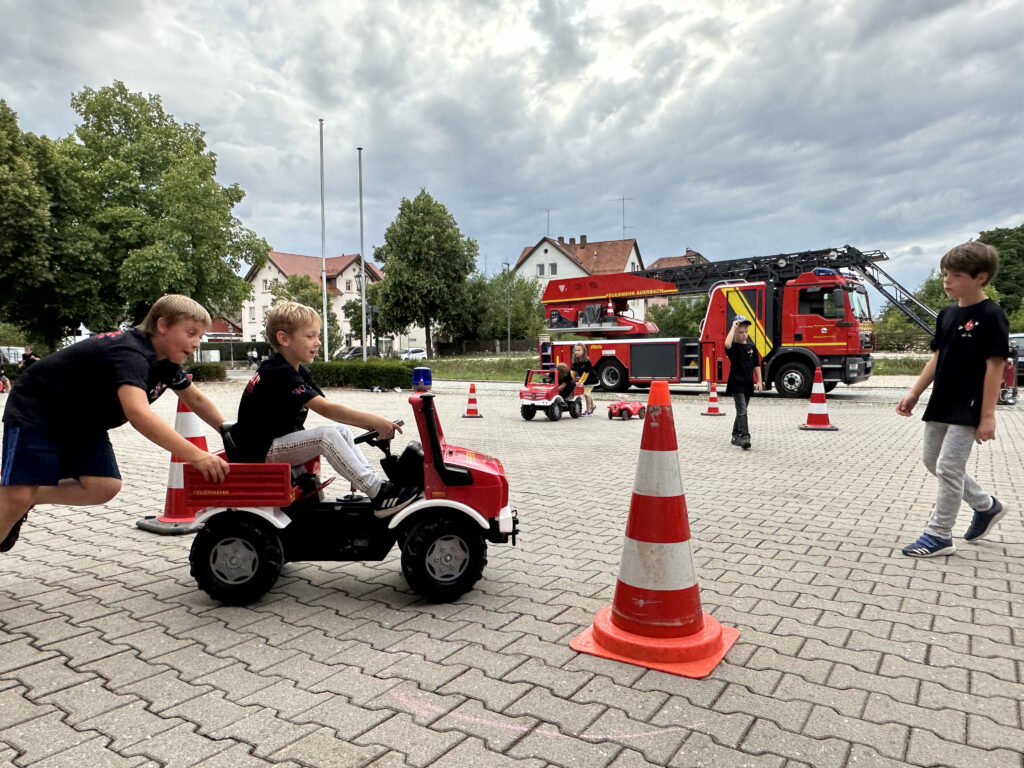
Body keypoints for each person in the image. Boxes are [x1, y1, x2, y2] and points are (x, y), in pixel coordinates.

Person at [1, 295, 231, 553]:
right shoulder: (131, 353)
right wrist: (197, 456)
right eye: (191, 333)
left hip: (83, 421)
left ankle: (21, 499)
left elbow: (196, 399)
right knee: (17, 495)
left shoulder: (165, 362)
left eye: (200, 336)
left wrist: (228, 430)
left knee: (102, 486)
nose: (196, 343)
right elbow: (139, 414)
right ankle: (15, 500)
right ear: (163, 325)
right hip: (37, 411)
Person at [230, 301, 419, 516]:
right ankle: (379, 493)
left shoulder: (295, 369)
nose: (318, 342)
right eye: (310, 336)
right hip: (259, 451)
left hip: (272, 443)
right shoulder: (278, 372)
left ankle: (375, 484)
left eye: (318, 336)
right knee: (325, 437)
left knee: (340, 430)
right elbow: (326, 409)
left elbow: (330, 406)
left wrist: (369, 422)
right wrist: (374, 420)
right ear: (284, 339)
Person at [896, 242, 1009, 557]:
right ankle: (985, 506)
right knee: (933, 461)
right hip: (942, 400)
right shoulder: (947, 314)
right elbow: (937, 357)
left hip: (969, 405)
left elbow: (995, 365)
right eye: (945, 273)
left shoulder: (991, 315)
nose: (947, 280)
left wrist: (988, 415)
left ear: (980, 278)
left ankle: (939, 535)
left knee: (948, 466)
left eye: (956, 275)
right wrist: (915, 392)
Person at [724, 315, 762, 449]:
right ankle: (745, 436)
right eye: (740, 332)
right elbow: (727, 344)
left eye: (746, 331)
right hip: (736, 383)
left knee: (742, 410)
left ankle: (735, 434)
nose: (744, 334)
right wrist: (733, 327)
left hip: (747, 383)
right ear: (735, 332)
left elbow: (756, 365)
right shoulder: (733, 347)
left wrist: (759, 381)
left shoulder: (751, 347)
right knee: (742, 410)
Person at [570, 343, 595, 415]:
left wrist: (580, 382)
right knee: (588, 394)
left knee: (586, 393)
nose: (577, 352)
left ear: (584, 351)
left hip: (591, 380)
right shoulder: (575, 361)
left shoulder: (587, 361)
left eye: (579, 350)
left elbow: (586, 373)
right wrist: (570, 380)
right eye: (575, 350)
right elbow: (572, 372)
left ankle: (588, 410)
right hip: (584, 380)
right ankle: (593, 406)